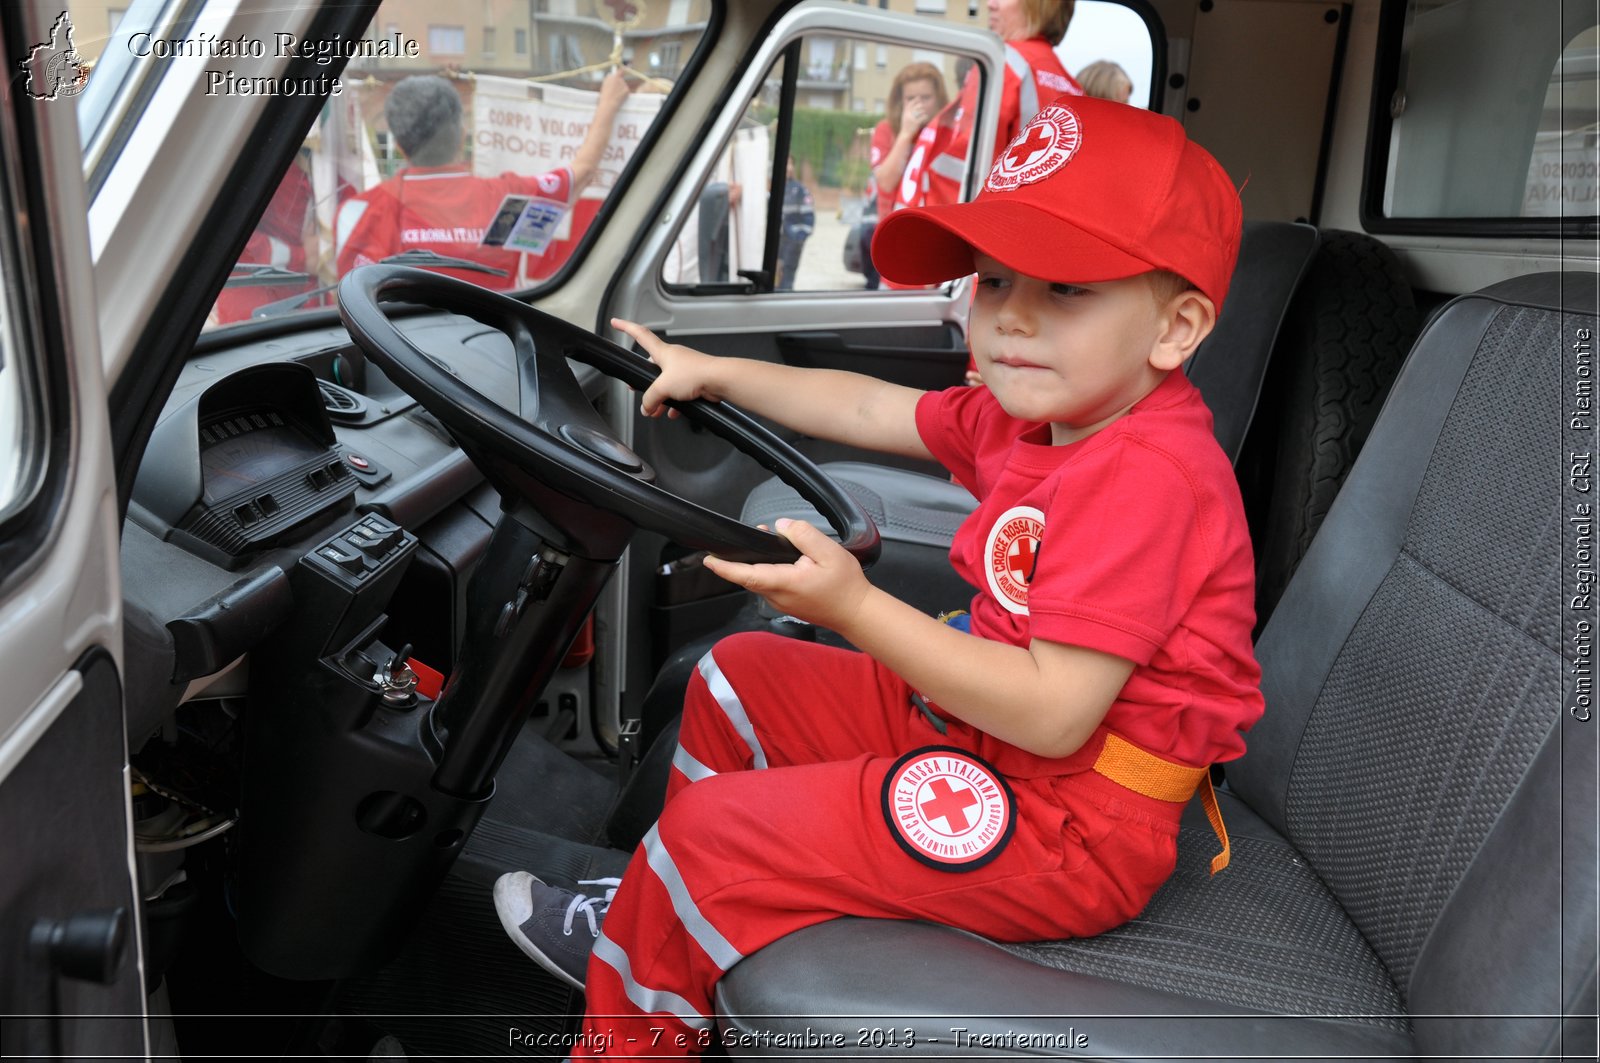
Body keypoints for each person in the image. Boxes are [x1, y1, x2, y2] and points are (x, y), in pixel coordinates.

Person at [493, 96, 1262, 1057]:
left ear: (1176, 327)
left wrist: (853, 607)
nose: (1012, 316)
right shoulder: (1044, 419)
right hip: (991, 741)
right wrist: (715, 371)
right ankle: (676, 919)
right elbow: (867, 404)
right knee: (740, 676)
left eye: (1066, 287)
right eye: (994, 280)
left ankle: (637, 1027)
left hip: (1074, 822)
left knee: (710, 838)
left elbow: (1055, 712)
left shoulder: (1150, 476)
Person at [335, 70, 630, 290]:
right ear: (463, 136)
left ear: (398, 146)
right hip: (495, 355)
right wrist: (609, 103)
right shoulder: (509, 196)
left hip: (403, 363)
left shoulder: (361, 211)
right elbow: (583, 171)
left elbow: (353, 302)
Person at [894, 0, 1082, 213]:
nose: (990, 4)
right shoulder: (1073, 88)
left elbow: (959, 179)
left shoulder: (997, 66)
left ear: (1039, 5)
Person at [776, 158, 814, 291]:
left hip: (791, 241)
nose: (789, 167)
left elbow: (808, 216)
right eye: (786, 163)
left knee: (787, 276)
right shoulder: (771, 187)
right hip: (776, 241)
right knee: (774, 277)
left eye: (791, 164)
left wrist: (799, 237)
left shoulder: (800, 191)